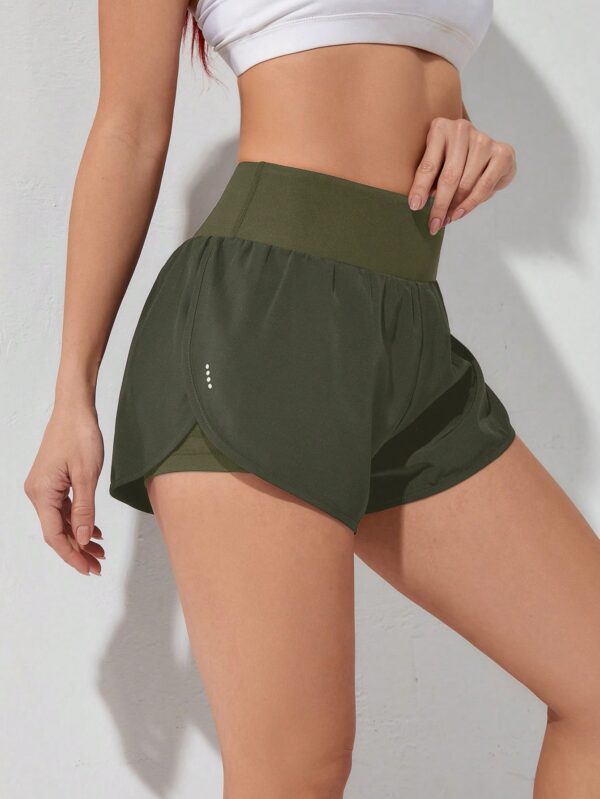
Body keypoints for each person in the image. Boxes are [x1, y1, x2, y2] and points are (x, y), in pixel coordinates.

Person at [24, 1, 600, 796]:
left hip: (409, 336)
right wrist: (72, 394)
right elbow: (128, 127)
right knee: (296, 770)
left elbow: (399, 67)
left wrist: (478, 145)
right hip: (260, 326)